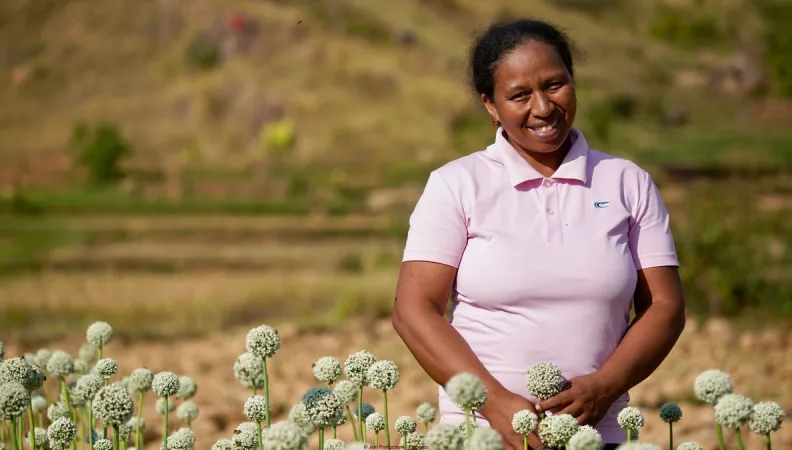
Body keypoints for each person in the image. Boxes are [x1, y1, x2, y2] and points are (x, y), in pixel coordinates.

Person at [391, 18, 686, 450]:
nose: (543, 107)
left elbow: (665, 305)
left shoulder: (626, 182)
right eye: (519, 96)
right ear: (490, 106)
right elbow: (413, 309)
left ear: (573, 82)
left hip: (596, 437)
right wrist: (494, 405)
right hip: (480, 437)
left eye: (554, 85)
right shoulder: (457, 184)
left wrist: (604, 386)